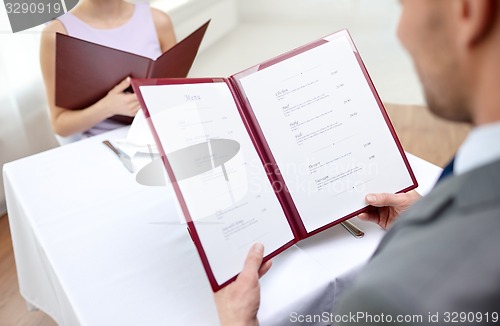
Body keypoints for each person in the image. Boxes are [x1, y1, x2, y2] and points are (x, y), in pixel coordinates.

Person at [214, 0, 500, 324]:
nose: (401, 33)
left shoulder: (395, 301)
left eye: (404, 4)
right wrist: (427, 217)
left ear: (470, 11)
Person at [40, 0, 176, 139]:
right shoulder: (57, 33)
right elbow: (60, 125)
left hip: (161, 132)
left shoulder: (158, 20)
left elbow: (177, 92)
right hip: (105, 143)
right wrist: (107, 108)